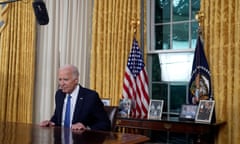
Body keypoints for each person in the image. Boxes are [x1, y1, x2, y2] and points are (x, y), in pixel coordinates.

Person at [40, 64, 111, 131]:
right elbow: (58, 117)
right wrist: (51, 122)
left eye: (65, 80)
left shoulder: (90, 97)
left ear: (76, 80)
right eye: (60, 79)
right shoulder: (59, 94)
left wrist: (86, 128)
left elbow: (105, 124)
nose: (62, 84)